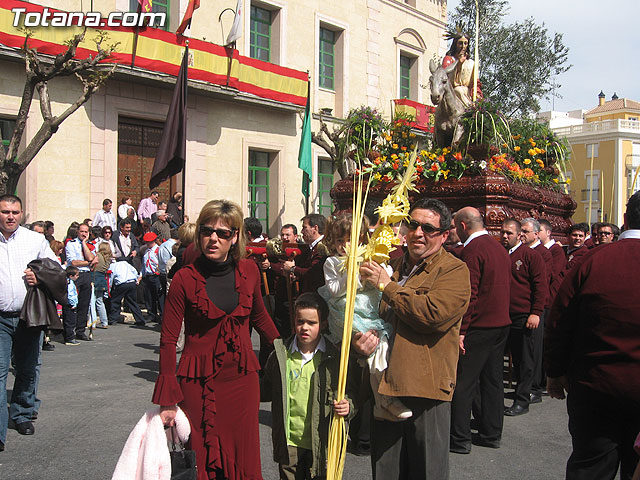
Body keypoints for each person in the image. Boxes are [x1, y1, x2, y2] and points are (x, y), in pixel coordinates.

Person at [153, 199, 280, 480]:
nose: (213, 238)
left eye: (223, 233)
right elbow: (168, 340)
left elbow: (260, 319)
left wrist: (290, 349)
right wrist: (167, 400)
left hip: (242, 381)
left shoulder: (249, 271)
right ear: (199, 234)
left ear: (235, 237)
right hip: (197, 383)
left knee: (243, 458)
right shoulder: (184, 279)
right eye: (207, 231)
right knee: (202, 457)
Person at [357, 198, 471, 479]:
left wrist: (388, 286)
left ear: (445, 234)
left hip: (425, 389)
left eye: (429, 228)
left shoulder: (454, 270)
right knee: (386, 471)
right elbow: (366, 314)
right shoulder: (391, 265)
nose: (419, 233)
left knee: (425, 470)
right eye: (414, 225)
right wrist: (358, 344)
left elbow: (431, 315)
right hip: (385, 387)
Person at [545, 191, 640, 480]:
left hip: (595, 385)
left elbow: (561, 318)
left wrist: (555, 371)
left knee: (590, 467)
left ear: (624, 221)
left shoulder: (593, 259)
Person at [318, 214, 411, 421]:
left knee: (382, 345)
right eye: (339, 241)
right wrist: (354, 274)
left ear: (361, 238)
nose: (344, 246)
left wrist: (378, 268)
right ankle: (384, 401)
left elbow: (385, 276)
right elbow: (334, 290)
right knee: (372, 348)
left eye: (349, 240)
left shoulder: (370, 257)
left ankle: (383, 399)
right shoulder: (332, 262)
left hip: (369, 313)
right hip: (346, 313)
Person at [261, 292, 354, 480]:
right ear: (293, 320)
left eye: (312, 323)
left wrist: (348, 406)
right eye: (300, 321)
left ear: (324, 324)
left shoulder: (334, 360)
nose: (305, 328)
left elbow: (351, 394)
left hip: (320, 443)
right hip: (289, 443)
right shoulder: (280, 355)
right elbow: (265, 390)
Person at [450, 207, 511, 454]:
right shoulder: (498, 247)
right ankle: (491, 431)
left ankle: (460, 437)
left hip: (479, 325)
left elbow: (470, 293)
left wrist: (462, 329)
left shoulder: (473, 250)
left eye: (454, 227)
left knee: (465, 382)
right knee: (493, 380)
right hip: (500, 323)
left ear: (463, 226)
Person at [0, 194, 58, 449]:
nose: (10, 216)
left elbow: (56, 268)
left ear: (21, 214)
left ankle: (22, 414)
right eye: (4, 212)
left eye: (14, 212)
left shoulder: (35, 240)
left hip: (28, 317)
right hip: (0, 319)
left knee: (27, 369)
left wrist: (39, 275)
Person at [500, 219, 547, 416]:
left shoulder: (530, 256)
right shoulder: (500, 254)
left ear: (519, 235)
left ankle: (522, 400)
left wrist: (535, 312)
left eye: (509, 233)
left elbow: (540, 286)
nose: (504, 236)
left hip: (523, 315)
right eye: (503, 232)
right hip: (502, 315)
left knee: (524, 360)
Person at [65, 222, 96, 342]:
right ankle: (69, 332)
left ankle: (80, 330)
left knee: (84, 304)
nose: (84, 234)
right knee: (71, 303)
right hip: (74, 274)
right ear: (77, 232)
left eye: (86, 232)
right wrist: (88, 263)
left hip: (86, 275)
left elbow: (91, 258)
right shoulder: (71, 244)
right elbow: (73, 262)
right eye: (82, 231)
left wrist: (84, 243)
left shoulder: (90, 245)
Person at [283, 214, 328, 294]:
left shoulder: (322, 248)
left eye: (304, 227)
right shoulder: (310, 248)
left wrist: (293, 268)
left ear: (315, 228)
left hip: (316, 295)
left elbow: (312, 273)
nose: (302, 231)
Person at [442, 32, 477, 108]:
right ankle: (470, 110)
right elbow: (446, 80)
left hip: (467, 94)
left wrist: (476, 94)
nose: (463, 46)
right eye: (460, 43)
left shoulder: (471, 63)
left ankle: (472, 108)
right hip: (453, 93)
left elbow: (475, 83)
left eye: (465, 43)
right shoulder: (449, 60)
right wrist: (459, 64)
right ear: (455, 44)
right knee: (458, 90)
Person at [107, 259, 145, 326]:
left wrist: (109, 289)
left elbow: (110, 278)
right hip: (131, 282)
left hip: (121, 284)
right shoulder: (126, 264)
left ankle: (113, 319)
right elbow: (135, 271)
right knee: (132, 302)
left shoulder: (112, 266)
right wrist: (136, 279)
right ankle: (140, 320)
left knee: (115, 301)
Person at [141, 232, 162, 323]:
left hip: (156, 276)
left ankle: (162, 314)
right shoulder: (146, 251)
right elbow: (144, 265)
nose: (147, 244)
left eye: (149, 242)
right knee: (149, 297)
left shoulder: (158, 250)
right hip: (148, 276)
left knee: (159, 296)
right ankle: (151, 314)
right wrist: (141, 275)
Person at [93, 242, 112, 329]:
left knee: (92, 301)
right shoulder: (108, 258)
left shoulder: (97, 256)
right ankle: (104, 322)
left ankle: (92, 322)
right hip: (102, 278)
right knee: (100, 302)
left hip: (95, 277)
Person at [62, 266, 81, 345]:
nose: (78, 277)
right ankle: (69, 338)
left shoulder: (70, 282)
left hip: (69, 303)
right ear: (71, 276)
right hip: (70, 305)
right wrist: (73, 303)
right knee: (70, 321)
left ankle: (68, 336)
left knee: (68, 321)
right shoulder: (69, 283)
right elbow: (71, 294)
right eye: (76, 275)